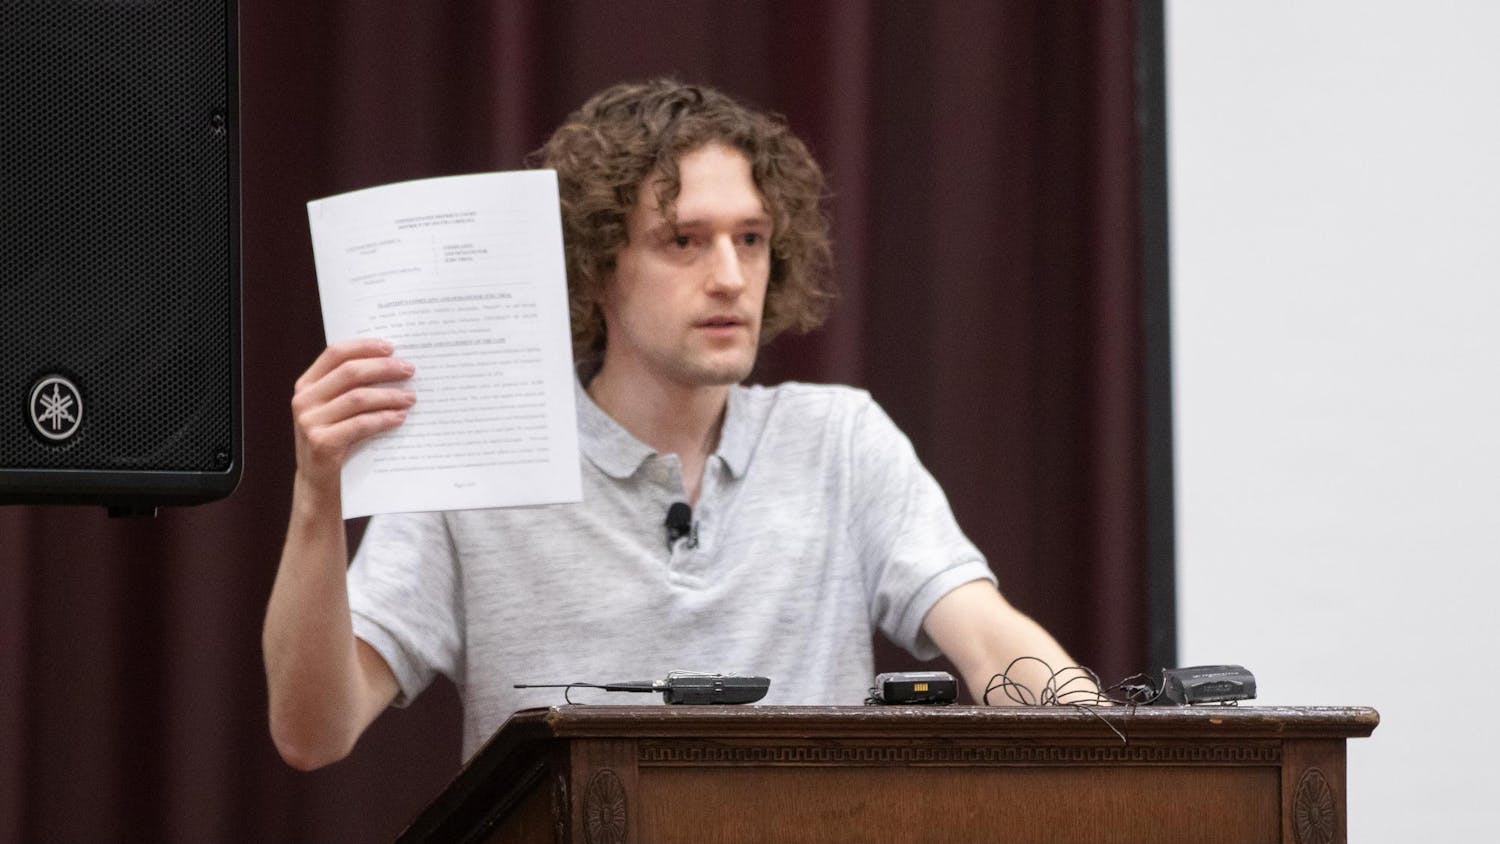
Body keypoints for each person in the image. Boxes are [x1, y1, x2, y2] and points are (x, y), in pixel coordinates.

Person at [263, 79, 1086, 771]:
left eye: (752, 239)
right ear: (597, 264)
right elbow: (313, 734)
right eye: (683, 241)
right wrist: (316, 495)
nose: (730, 277)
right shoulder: (483, 460)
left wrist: (1118, 742)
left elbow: (988, 640)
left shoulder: (838, 439)